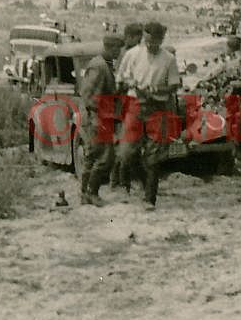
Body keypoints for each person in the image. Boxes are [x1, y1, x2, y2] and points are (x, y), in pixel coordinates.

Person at [116, 21, 181, 210]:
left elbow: (174, 84)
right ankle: (130, 185)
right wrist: (133, 84)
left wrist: (156, 89)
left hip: (157, 107)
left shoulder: (168, 59)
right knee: (126, 152)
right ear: (145, 38)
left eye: (156, 42)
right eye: (149, 41)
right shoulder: (132, 54)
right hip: (135, 105)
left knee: (154, 157)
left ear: (161, 40)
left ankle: (149, 198)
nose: (152, 46)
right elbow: (121, 77)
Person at [77, 35, 125, 206]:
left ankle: (86, 194)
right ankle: (91, 193)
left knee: (93, 156)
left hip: (100, 117)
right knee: (105, 157)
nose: (119, 53)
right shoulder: (99, 66)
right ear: (110, 48)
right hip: (97, 118)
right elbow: (88, 95)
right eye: (117, 49)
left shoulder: (104, 64)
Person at [110, 22, 145, 192]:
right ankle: (119, 180)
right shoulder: (126, 54)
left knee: (130, 143)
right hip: (125, 103)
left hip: (129, 103)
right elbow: (119, 81)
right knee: (125, 144)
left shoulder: (129, 53)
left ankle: (122, 180)